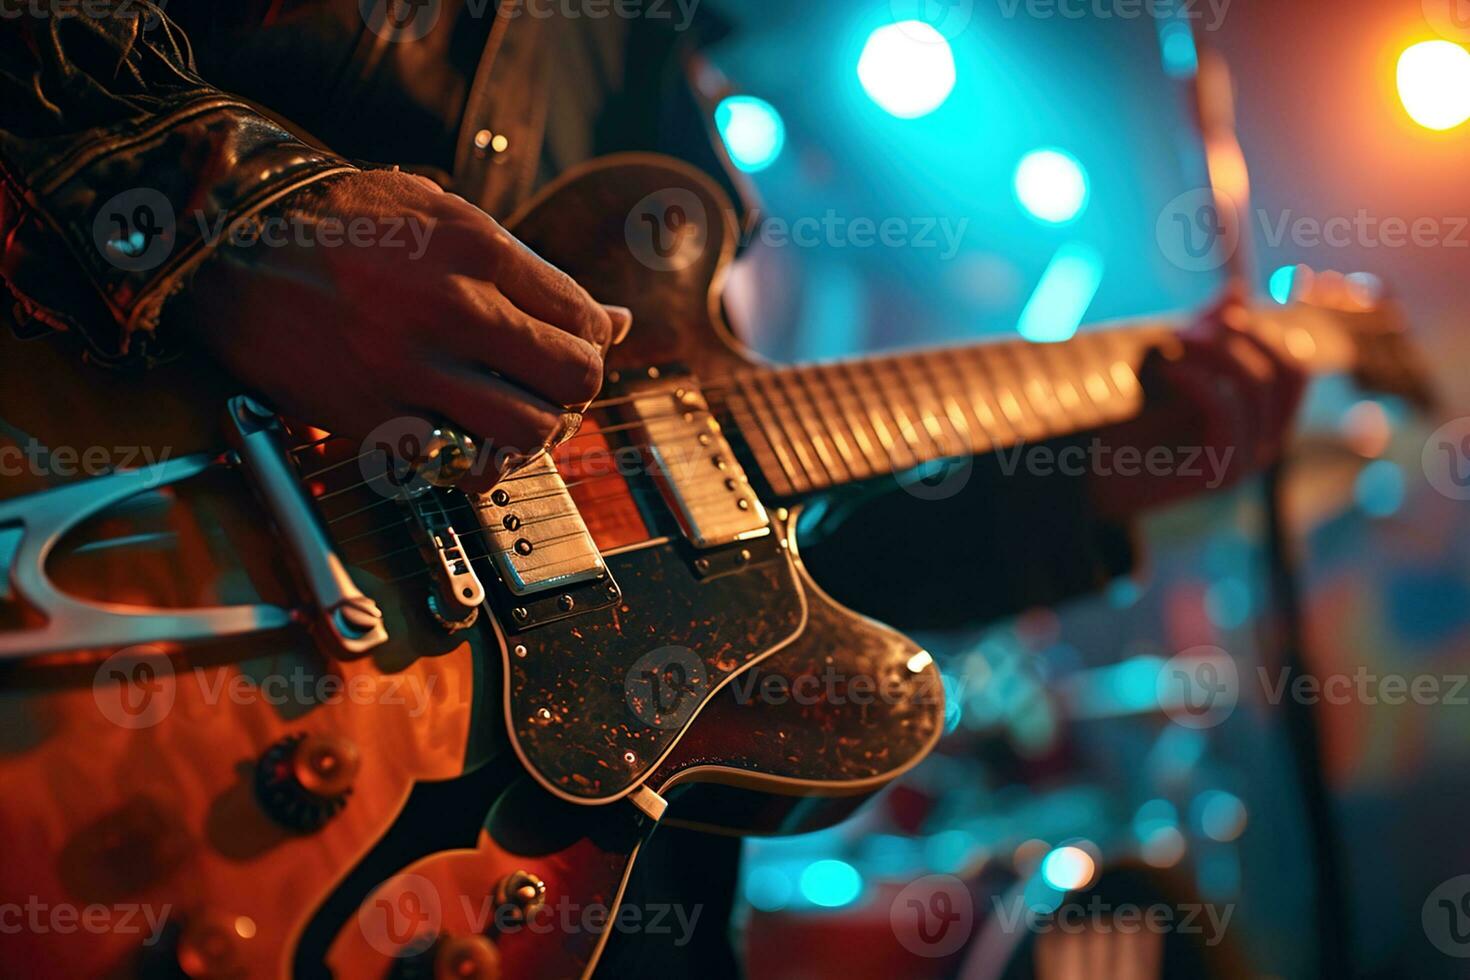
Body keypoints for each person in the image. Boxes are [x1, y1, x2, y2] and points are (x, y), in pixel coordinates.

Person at [0, 2, 1303, 975]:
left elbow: (750, 589)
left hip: (548, 884)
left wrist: (1098, 486)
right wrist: (234, 218)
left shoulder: (640, 56)